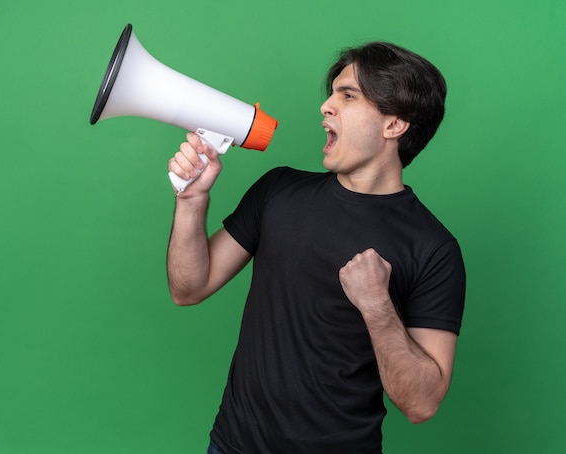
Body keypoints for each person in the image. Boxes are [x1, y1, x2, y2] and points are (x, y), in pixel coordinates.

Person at [166, 42, 466, 454]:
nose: (326, 106)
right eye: (332, 94)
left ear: (394, 125)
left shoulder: (434, 249)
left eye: (348, 95)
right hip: (232, 446)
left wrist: (377, 305)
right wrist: (191, 201)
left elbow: (422, 404)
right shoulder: (278, 191)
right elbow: (188, 289)